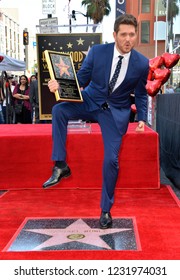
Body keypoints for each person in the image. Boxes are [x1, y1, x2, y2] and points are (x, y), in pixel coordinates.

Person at [43, 14, 149, 229]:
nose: (128, 39)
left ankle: (106, 210)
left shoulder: (141, 63)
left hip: (114, 112)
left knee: (111, 160)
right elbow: (80, 79)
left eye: (132, 34)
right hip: (89, 101)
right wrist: (59, 86)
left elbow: (140, 93)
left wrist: (142, 118)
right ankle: (61, 164)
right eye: (123, 35)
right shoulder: (98, 52)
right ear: (115, 35)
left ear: (136, 35)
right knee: (59, 111)